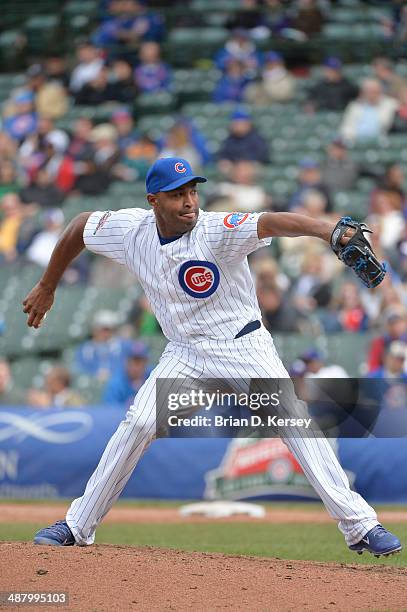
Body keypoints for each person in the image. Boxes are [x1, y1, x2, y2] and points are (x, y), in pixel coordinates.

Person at [24, 156, 401, 556]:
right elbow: (80, 225)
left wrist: (328, 232)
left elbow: (271, 222)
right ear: (154, 200)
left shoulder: (216, 230)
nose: (189, 201)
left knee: (292, 419)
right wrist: (48, 285)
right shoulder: (130, 230)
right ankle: (78, 525)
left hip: (243, 347)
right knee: (139, 422)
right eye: (177, 194)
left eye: (192, 191)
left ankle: (360, 525)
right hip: (185, 355)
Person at [340, 78, 398, 144]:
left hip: (382, 141)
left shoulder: (391, 104)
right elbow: (347, 127)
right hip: (356, 142)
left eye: (375, 91)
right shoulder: (355, 106)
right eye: (368, 91)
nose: (372, 94)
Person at [103, 341, 151, 407]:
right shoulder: (116, 383)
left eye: (139, 362)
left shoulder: (153, 376)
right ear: (126, 362)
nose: (135, 367)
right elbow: (110, 411)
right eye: (131, 362)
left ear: (146, 362)